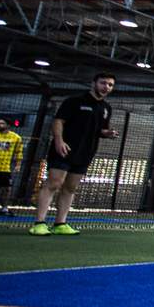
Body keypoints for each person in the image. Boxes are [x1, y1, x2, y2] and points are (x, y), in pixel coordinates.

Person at [30, 72, 118, 236]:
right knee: (54, 183)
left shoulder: (106, 108)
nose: (106, 87)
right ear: (94, 83)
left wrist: (108, 133)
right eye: (103, 83)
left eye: (110, 85)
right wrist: (59, 141)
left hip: (85, 152)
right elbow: (58, 121)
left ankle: (60, 224)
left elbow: (100, 130)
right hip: (64, 149)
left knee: (71, 187)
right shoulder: (74, 101)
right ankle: (39, 223)